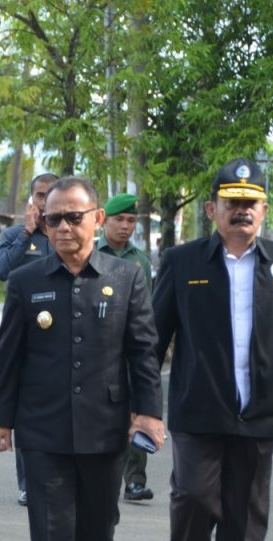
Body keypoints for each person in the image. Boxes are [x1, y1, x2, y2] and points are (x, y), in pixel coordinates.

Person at [0, 176, 164, 541]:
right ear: (43, 225)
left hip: (106, 430)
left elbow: (143, 353)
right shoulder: (26, 281)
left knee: (98, 535)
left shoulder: (125, 279)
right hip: (42, 430)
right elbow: (10, 358)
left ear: (97, 219)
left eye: (73, 217)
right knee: (51, 535)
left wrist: (149, 411)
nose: (63, 227)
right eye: (53, 219)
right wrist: (0, 420)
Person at [154, 158, 273, 541]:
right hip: (198, 409)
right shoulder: (184, 263)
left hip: (261, 413)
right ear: (212, 209)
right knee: (192, 498)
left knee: (247, 519)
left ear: (265, 209)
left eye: (251, 203)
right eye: (233, 202)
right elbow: (153, 335)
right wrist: (142, 404)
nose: (242, 211)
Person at [0, 172, 58, 508]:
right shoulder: (16, 234)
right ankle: (27, 483)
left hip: (61, 336)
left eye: (50, 194)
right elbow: (2, 271)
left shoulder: (68, 233)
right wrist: (28, 233)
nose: (44, 201)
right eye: (39, 194)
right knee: (26, 414)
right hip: (26, 335)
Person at [97, 193, 155, 502]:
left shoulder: (140, 261)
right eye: (119, 219)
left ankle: (134, 481)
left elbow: (147, 310)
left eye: (131, 221)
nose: (125, 226)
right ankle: (100, 474)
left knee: (137, 411)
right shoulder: (90, 252)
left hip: (129, 347)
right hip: (95, 348)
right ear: (104, 218)